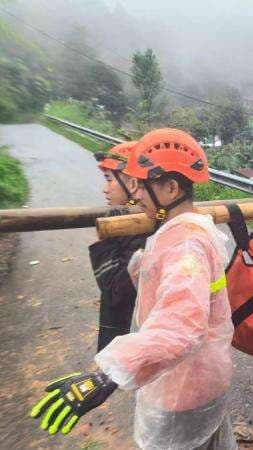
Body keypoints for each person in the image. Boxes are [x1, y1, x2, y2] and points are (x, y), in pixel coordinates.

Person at [30, 129, 236, 449]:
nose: (136, 195)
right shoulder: (183, 230)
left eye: (142, 185)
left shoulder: (185, 246)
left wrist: (107, 375)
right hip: (194, 377)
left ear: (170, 188)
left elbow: (179, 328)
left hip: (183, 387)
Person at [90, 141, 147, 352]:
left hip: (136, 338)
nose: (105, 189)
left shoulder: (137, 229)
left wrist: (110, 239)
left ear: (132, 182)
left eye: (109, 179)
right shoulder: (146, 216)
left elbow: (115, 293)